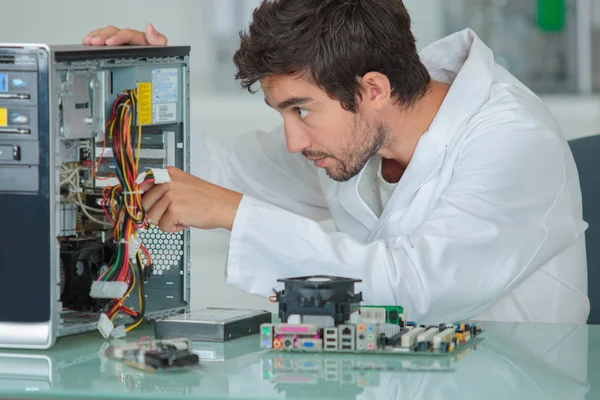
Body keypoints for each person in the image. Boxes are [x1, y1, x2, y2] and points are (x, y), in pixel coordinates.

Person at [82, 0, 590, 324]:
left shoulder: (514, 142)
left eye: (301, 110)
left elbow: (420, 290)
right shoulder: (358, 135)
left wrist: (235, 213)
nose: (293, 140)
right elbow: (221, 171)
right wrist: (143, 91)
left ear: (372, 89)